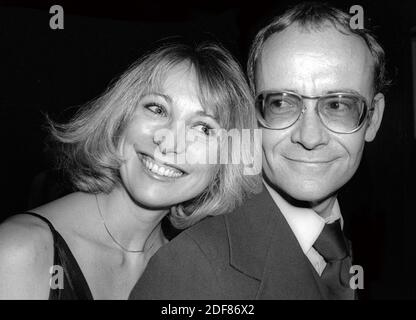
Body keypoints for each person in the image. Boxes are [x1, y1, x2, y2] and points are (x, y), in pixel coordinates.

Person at [129, 2, 387, 300]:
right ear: (250, 116)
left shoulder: (333, 243)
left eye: (338, 105)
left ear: (373, 119)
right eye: (280, 103)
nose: (310, 137)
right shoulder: (192, 271)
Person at [0, 42, 261, 299]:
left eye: (204, 128)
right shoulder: (20, 251)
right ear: (120, 116)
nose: (170, 142)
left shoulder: (190, 271)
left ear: (226, 159)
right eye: (157, 109)